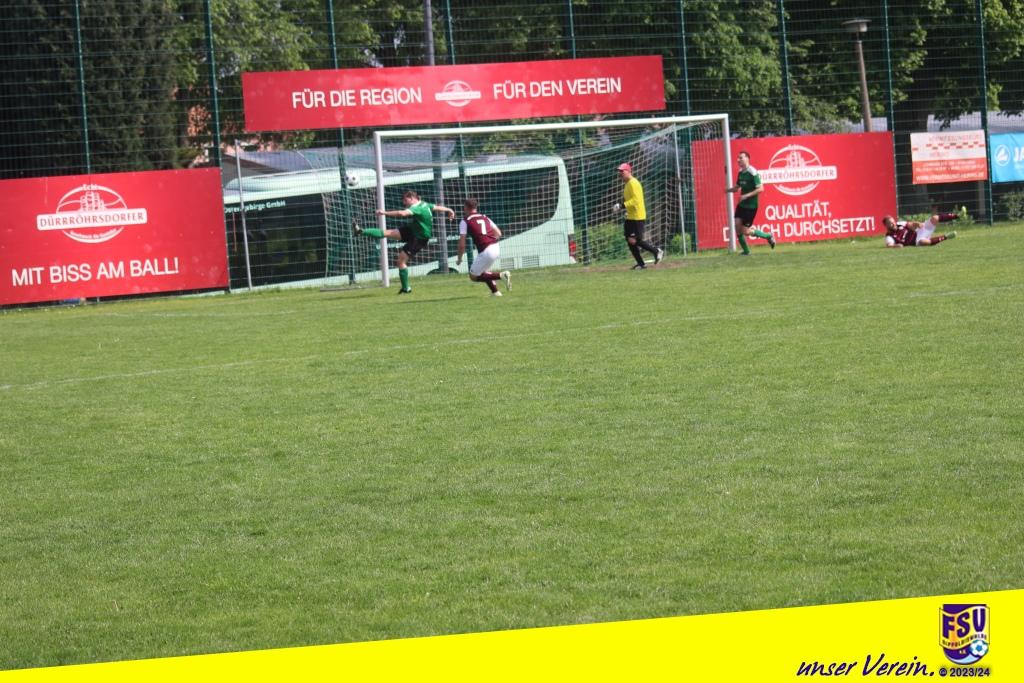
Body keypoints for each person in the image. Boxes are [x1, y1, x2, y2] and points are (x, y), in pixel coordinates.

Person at [353, 190, 455, 294]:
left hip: (419, 238)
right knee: (387, 233)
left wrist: (384, 212)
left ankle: (406, 288)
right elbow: (436, 207)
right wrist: (449, 209)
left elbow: (401, 213)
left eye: (405, 201)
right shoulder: (424, 204)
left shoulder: (417, 208)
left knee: (401, 261)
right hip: (413, 230)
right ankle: (361, 231)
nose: (404, 203)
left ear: (412, 198)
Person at [455, 199, 511, 297]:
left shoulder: (465, 221)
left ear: (465, 207)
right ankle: (495, 292)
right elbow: (498, 233)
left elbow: (462, 244)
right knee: (484, 271)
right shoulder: (484, 217)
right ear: (476, 207)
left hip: (487, 250)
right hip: (495, 247)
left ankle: (502, 275)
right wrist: (489, 241)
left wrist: (459, 258)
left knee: (473, 276)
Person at [614, 162, 663, 269]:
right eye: (619, 171)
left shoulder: (633, 183)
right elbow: (631, 200)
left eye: (622, 171)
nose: (620, 173)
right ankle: (641, 264)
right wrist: (626, 210)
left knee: (635, 240)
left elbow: (636, 200)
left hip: (637, 216)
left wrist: (622, 206)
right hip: (630, 216)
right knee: (630, 240)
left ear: (628, 171)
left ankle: (656, 251)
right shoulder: (627, 184)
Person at [726, 151, 776, 255]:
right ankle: (746, 251)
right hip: (742, 205)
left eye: (741, 158)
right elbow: (737, 188)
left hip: (751, 207)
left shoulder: (753, 172)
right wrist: (726, 190)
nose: (738, 160)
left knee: (746, 231)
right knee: (737, 227)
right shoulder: (741, 172)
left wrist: (746, 195)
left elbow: (761, 188)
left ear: (747, 159)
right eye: (738, 158)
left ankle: (768, 236)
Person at [882, 210, 961, 248]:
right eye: (890, 223)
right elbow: (889, 245)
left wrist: (916, 224)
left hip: (919, 231)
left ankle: (957, 216)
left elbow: (910, 225)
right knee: (923, 242)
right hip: (916, 240)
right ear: (886, 226)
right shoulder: (889, 236)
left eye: (893, 221)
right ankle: (946, 237)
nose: (893, 223)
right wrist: (896, 245)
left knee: (935, 218)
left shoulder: (900, 223)